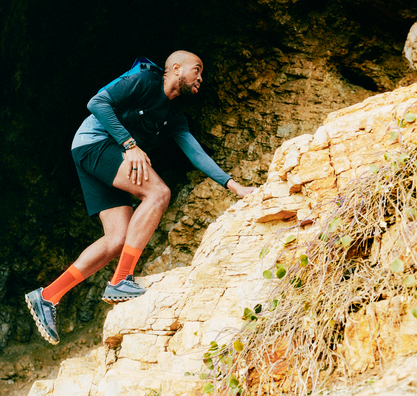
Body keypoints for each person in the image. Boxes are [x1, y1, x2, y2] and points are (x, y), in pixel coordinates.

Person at [25, 50, 254, 344]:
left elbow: (196, 153)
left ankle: (48, 296)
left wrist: (235, 186)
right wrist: (129, 144)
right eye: (197, 69)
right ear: (175, 68)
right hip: (95, 143)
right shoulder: (145, 81)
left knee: (117, 238)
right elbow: (97, 102)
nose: (201, 78)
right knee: (158, 193)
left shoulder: (174, 116)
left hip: (95, 151)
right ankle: (121, 278)